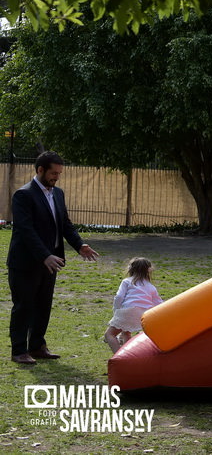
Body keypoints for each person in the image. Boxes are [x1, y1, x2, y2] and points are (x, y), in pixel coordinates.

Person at [7, 151, 100, 364]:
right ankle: (19, 351)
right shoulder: (23, 195)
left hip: (51, 262)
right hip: (26, 263)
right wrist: (44, 255)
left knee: (43, 305)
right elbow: (25, 230)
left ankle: (38, 346)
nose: (56, 177)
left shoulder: (58, 194)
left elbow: (64, 224)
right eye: (53, 173)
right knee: (24, 306)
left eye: (59, 173)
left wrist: (80, 245)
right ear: (40, 170)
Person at [103, 257, 163, 353]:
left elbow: (119, 297)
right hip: (143, 315)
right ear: (149, 270)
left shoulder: (127, 281)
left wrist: (116, 310)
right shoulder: (151, 287)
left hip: (128, 310)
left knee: (109, 335)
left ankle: (119, 357)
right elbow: (159, 304)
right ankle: (127, 355)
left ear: (131, 269)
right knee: (126, 332)